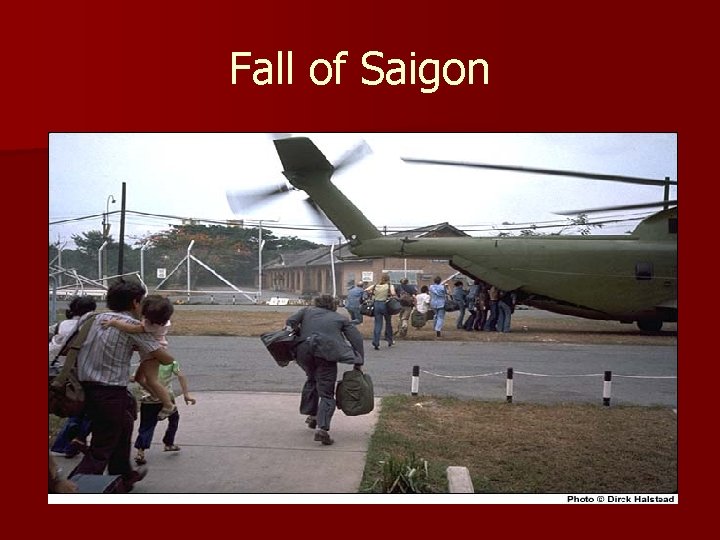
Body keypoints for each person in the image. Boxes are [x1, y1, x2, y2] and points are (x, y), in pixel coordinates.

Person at [69, 280, 174, 493]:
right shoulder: (133, 327)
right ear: (135, 302)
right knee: (102, 446)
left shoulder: (91, 319)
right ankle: (72, 489)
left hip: (85, 388)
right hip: (109, 391)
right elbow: (164, 357)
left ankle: (124, 476)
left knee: (124, 425)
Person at [286, 295, 364, 446]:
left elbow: (290, 321)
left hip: (304, 352)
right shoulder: (340, 318)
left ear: (317, 303)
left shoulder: (306, 311)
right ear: (333, 305)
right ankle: (322, 428)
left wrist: (298, 332)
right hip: (326, 354)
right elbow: (356, 339)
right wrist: (358, 361)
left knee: (312, 379)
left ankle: (312, 415)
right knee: (326, 392)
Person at [101, 295, 177, 420]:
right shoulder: (162, 321)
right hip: (152, 351)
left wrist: (114, 323)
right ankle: (155, 396)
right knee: (139, 378)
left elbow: (131, 329)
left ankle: (168, 405)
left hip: (152, 353)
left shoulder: (150, 326)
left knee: (152, 380)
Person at [49, 295, 97, 458]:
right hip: (78, 372)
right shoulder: (89, 326)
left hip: (59, 372)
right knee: (85, 409)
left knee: (73, 408)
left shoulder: (61, 325)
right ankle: (71, 443)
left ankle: (63, 445)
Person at [133, 359, 196, 466]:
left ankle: (140, 452)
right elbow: (181, 376)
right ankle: (169, 443)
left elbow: (135, 378)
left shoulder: (146, 362)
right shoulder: (170, 361)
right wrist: (186, 394)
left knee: (147, 425)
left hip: (149, 399)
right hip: (167, 397)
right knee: (174, 418)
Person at [365, 273, 397, 350]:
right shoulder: (390, 286)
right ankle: (389, 340)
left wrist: (372, 293)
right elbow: (393, 293)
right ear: (388, 279)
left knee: (378, 324)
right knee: (388, 322)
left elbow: (366, 290)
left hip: (376, 305)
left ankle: (376, 342)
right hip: (385, 305)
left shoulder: (375, 285)